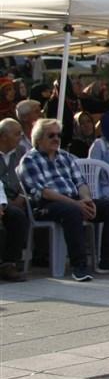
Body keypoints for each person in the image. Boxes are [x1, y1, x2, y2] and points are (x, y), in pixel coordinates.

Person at [20, 118, 109, 281]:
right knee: (72, 212)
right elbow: (44, 192)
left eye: (58, 135)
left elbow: (80, 182)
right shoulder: (30, 160)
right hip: (47, 205)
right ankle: (79, 265)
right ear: (38, 138)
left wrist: (87, 201)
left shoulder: (65, 157)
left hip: (75, 200)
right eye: (51, 135)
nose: (56, 139)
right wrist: (76, 204)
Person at [0, 119, 32, 280]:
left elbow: (27, 177)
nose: (20, 137)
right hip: (1, 200)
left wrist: (21, 196)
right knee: (13, 215)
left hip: (18, 197)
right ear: (4, 137)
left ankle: (10, 263)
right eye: (16, 134)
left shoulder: (21, 152)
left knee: (19, 214)